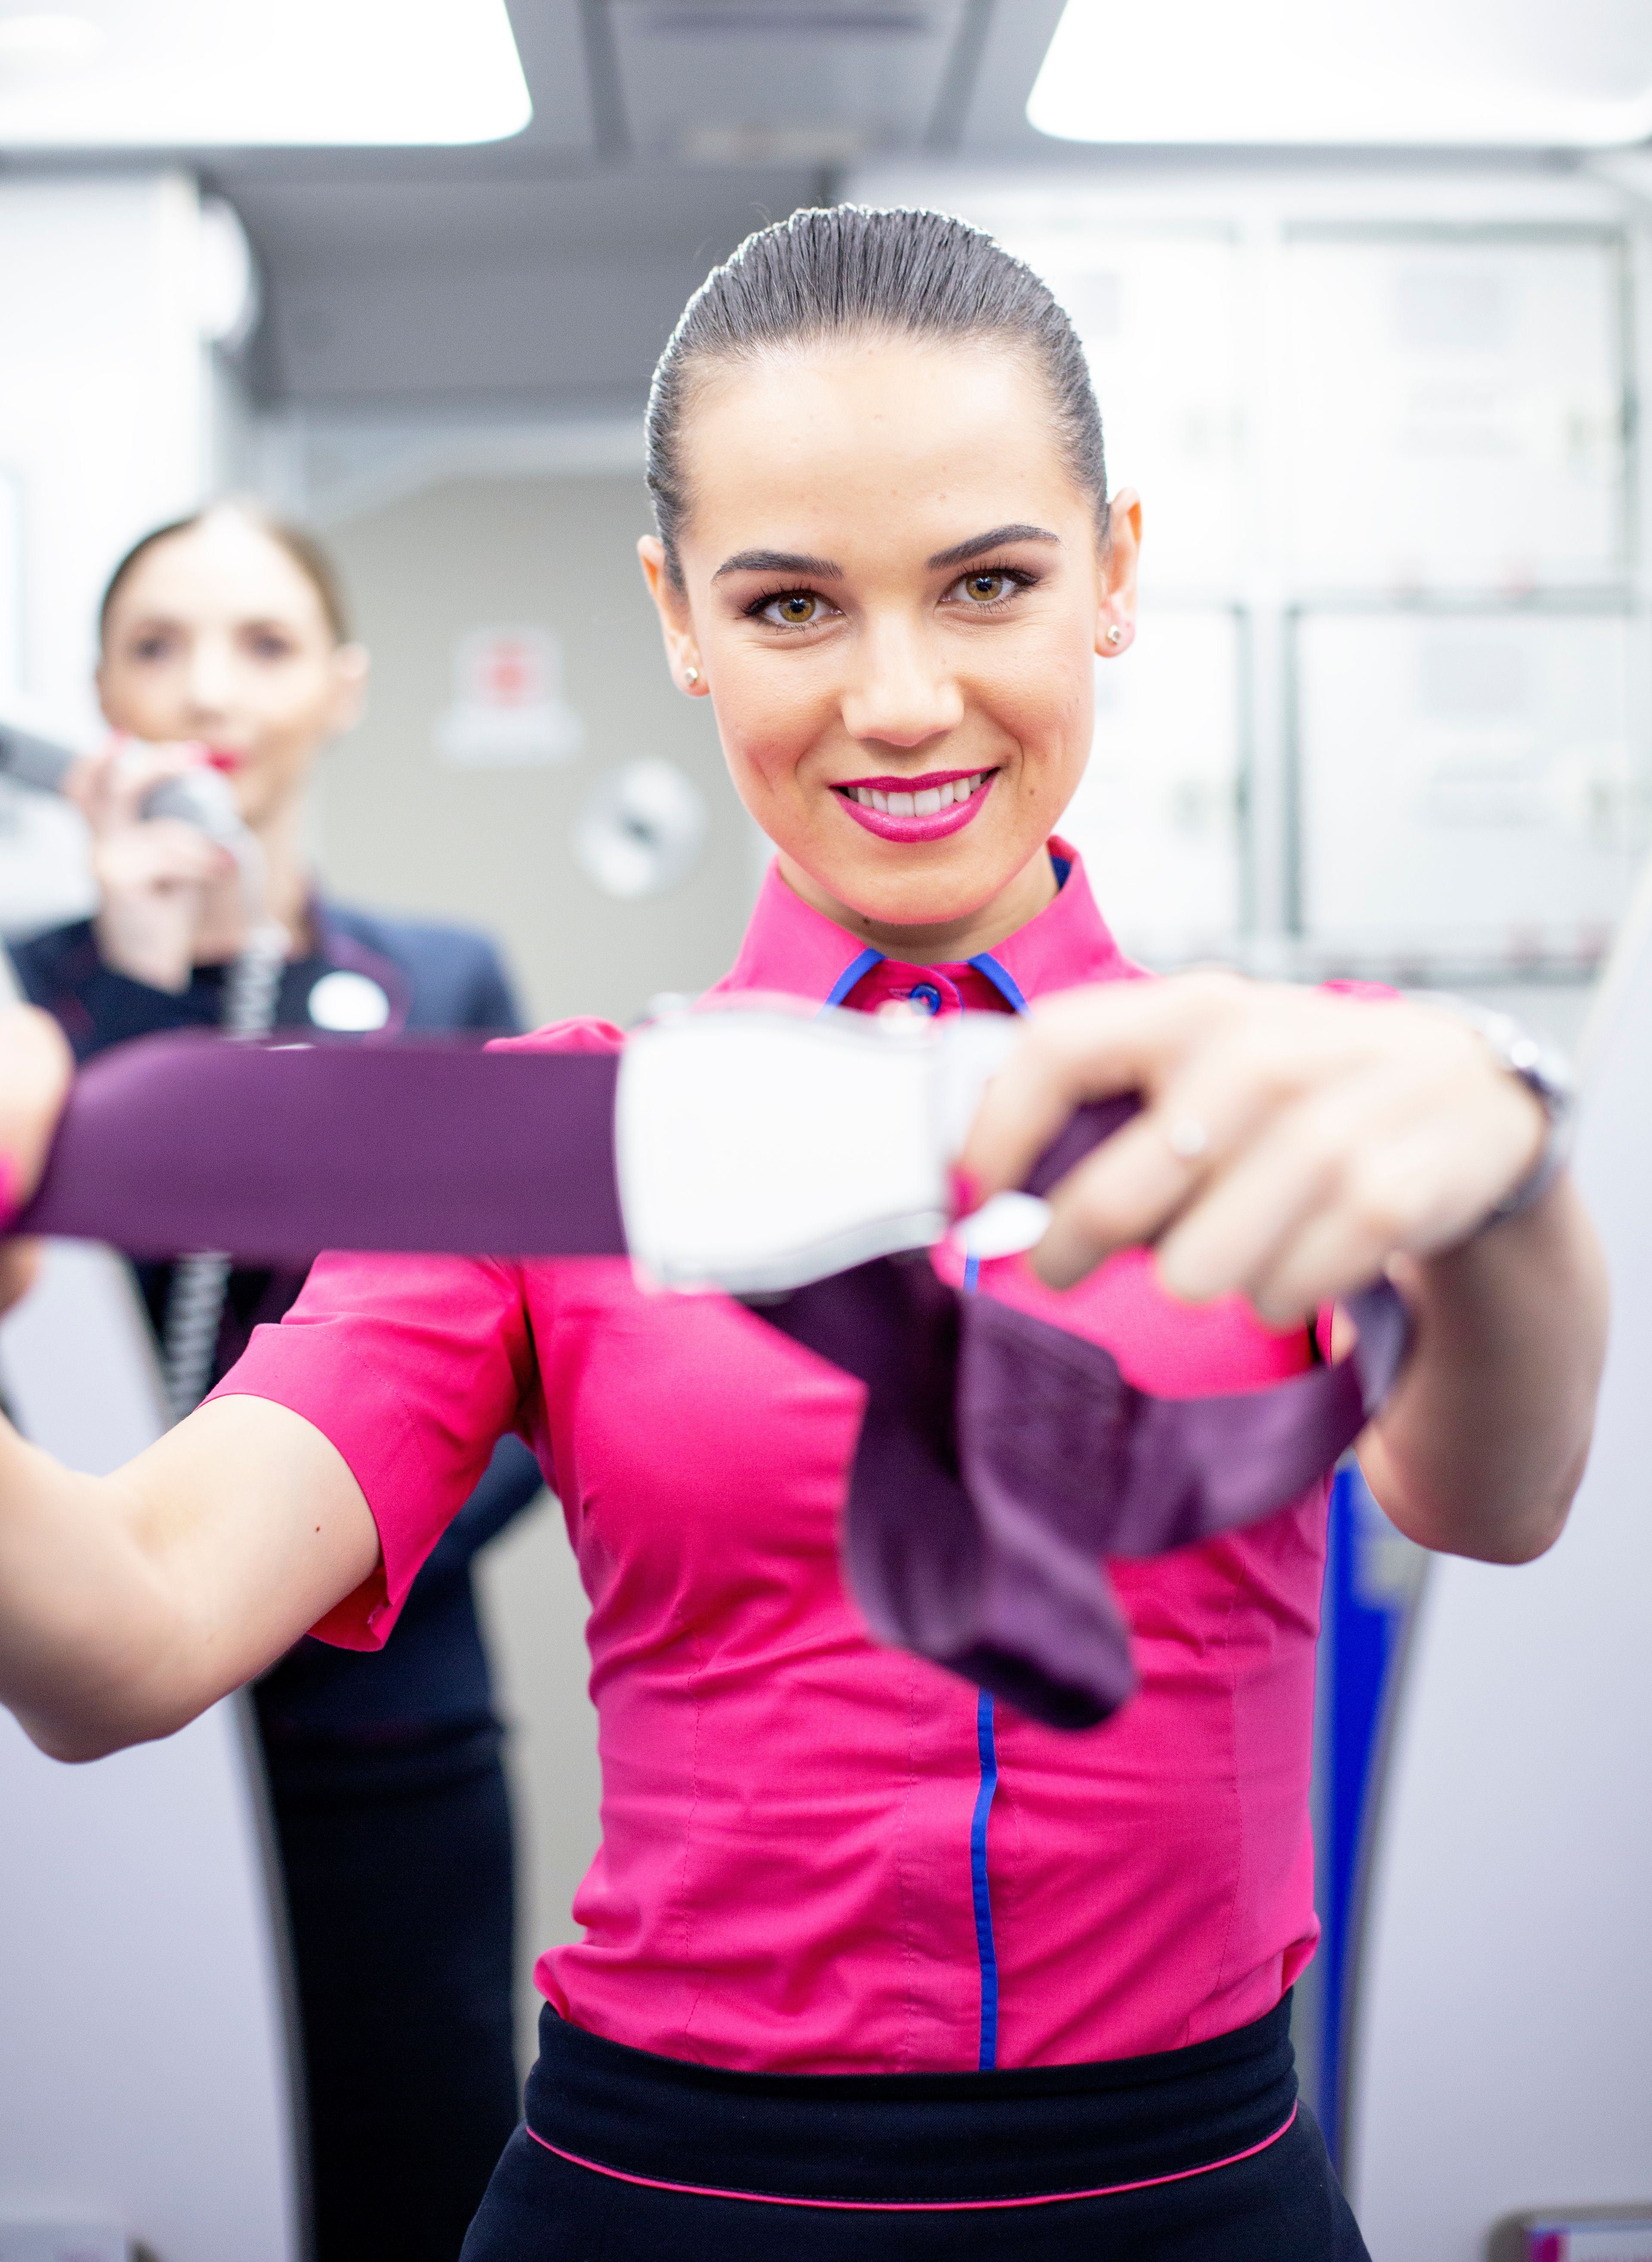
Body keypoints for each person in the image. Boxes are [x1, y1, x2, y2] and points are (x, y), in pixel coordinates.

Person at [0, 213, 1606, 2260]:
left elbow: (1501, 1492)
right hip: (653, 2205)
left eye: (991, 584)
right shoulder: (540, 1146)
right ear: (679, 618)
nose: (901, 699)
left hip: (1200, 2200)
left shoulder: (1305, 1094)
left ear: (1113, 571)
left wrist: (1516, 1176)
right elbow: (124, 1639)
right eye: (791, 607)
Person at [5, 504, 544, 2262]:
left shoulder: (442, 978)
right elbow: (87, 1340)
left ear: (341, 688)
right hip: (86, 1704)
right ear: (98, 698)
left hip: (381, 1716)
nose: (208, 687)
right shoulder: (32, 1004)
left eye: (260, 642)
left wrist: (306, 1558)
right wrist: (145, 982)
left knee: (413, 2155)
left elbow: (515, 1363)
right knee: (152, 2163)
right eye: (157, 647)